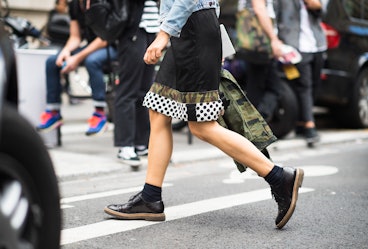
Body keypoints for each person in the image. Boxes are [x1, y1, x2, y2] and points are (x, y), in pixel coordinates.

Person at [104, 0, 304, 229]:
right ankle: (150, 198)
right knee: (158, 110)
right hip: (190, 31)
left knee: (202, 126)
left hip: (192, 32)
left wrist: (163, 35)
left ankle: (279, 177)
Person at [36, 0, 117, 136]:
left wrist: (77, 57)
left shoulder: (101, 2)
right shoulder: (75, 5)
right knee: (52, 61)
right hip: (92, 46)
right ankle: (54, 111)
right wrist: (65, 52)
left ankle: (100, 114)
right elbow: (75, 37)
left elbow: (104, 38)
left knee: (92, 61)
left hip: (112, 46)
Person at [114, 0, 160, 167]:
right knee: (128, 90)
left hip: (151, 30)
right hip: (134, 30)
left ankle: (141, 143)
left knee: (144, 91)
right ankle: (125, 146)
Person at [276, 0, 326, 144]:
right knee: (304, 85)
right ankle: (309, 125)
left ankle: (301, 122)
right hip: (295, 46)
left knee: (315, 85)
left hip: (317, 45)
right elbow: (277, 15)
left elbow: (325, 14)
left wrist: (316, 5)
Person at [237, 0, 284, 122]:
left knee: (267, 88)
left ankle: (257, 123)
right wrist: (273, 39)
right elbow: (259, 9)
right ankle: (255, 124)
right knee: (262, 89)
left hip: (256, 45)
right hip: (259, 44)